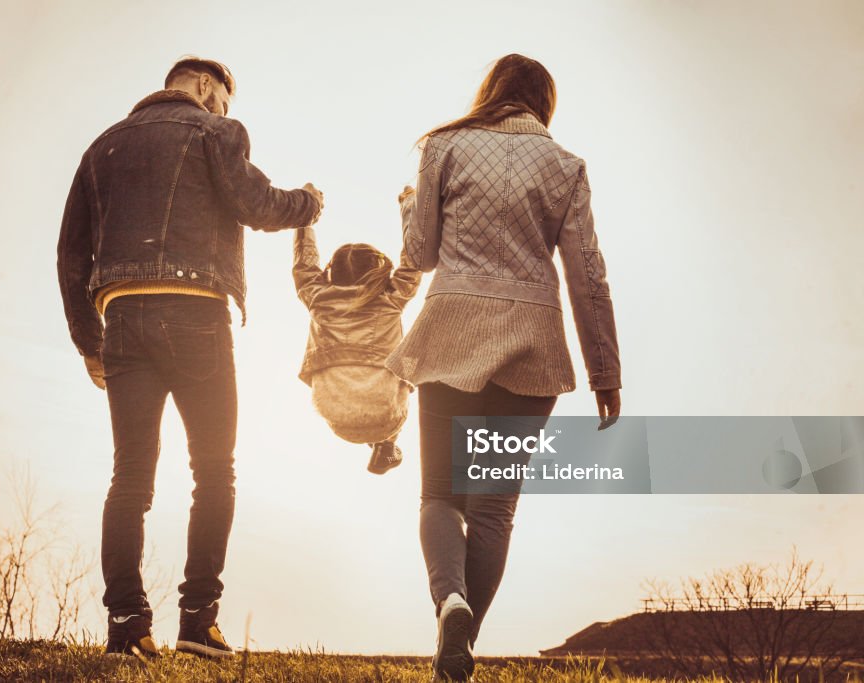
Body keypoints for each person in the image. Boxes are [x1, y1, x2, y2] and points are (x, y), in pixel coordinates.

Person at [56, 56, 323, 660]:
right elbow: (256, 204)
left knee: (130, 478)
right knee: (213, 470)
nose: (225, 111)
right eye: (224, 100)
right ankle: (197, 623)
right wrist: (307, 203)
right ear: (206, 88)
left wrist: (87, 341)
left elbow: (69, 253)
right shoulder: (216, 131)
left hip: (122, 318)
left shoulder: (101, 147)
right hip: (197, 311)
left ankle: (126, 626)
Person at [385, 54, 623, 681]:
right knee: (493, 510)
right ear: (546, 103)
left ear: (490, 92)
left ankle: (450, 605)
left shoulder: (445, 145)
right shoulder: (567, 166)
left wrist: (411, 206)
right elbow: (587, 275)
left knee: (440, 494)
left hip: (450, 335)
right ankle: (458, 648)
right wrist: (606, 372)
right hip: (530, 344)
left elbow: (422, 253)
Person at [292, 225, 421, 474]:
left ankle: (382, 440)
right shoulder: (392, 299)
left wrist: (305, 219)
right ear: (379, 272)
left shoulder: (317, 299)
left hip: (335, 417)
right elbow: (414, 259)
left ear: (331, 273)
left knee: (393, 366)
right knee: (409, 361)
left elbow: (303, 265)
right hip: (387, 417)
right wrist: (410, 207)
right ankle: (387, 443)